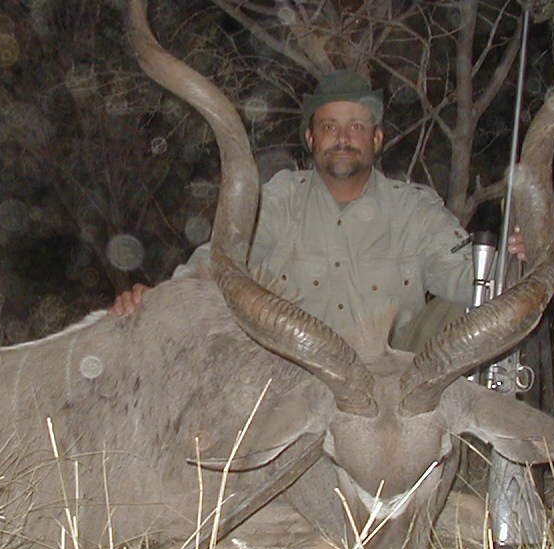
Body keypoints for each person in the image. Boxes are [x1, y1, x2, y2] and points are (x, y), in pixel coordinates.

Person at [111, 69, 524, 348]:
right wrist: (161, 299)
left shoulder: (413, 208)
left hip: (393, 383)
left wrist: (515, 263)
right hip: (298, 378)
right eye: (329, 127)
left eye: (357, 127)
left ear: (376, 140)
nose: (343, 138)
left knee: (464, 313)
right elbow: (220, 260)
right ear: (311, 138)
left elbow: (469, 282)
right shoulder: (280, 199)